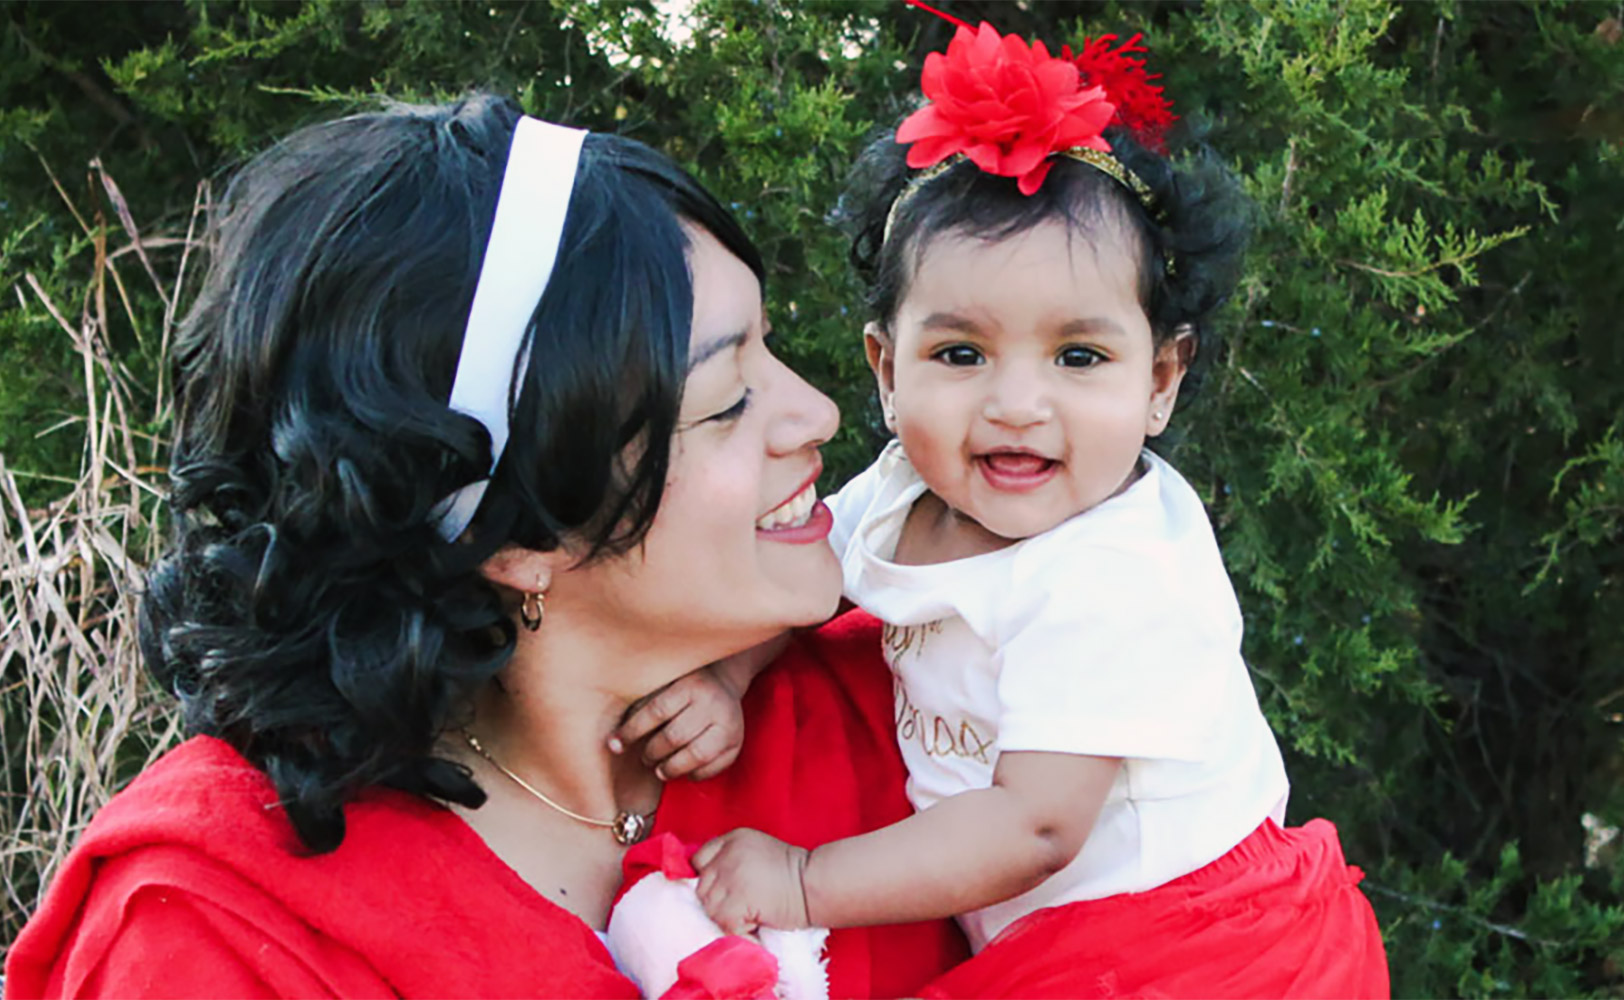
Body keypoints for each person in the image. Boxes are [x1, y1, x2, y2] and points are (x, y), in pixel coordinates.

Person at [2, 93, 963, 999]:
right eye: (727, 401)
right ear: (516, 534)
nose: (821, 413)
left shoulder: (935, 715)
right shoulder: (222, 931)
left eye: (770, 343)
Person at [617, 20, 1392, 998]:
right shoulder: (901, 489)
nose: (1016, 403)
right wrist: (727, 679)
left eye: (1077, 356)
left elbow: (1034, 826)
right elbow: (808, 587)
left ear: (1159, 379)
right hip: (1052, 924)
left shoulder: (1113, 571)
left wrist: (803, 881)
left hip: (1193, 944)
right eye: (959, 354)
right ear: (885, 371)